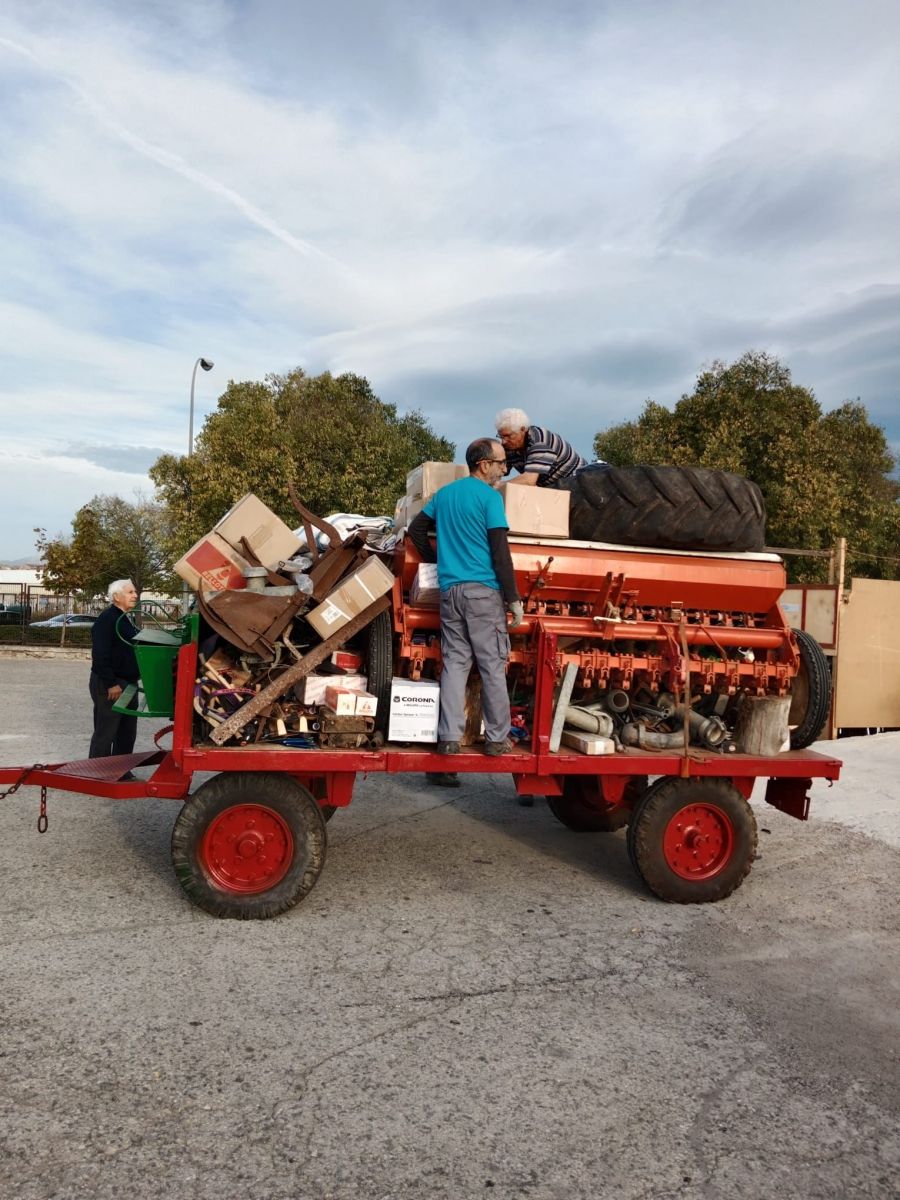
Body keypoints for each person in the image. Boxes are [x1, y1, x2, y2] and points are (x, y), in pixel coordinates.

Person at [408, 438, 525, 787]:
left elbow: (415, 530)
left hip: (450, 592)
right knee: (492, 665)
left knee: (455, 664)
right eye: (501, 463)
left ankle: (449, 738)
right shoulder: (490, 498)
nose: (505, 469)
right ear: (484, 465)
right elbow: (500, 553)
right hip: (482, 592)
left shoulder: (445, 495)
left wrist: (437, 561)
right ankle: (496, 739)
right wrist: (513, 598)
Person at [89, 579, 140, 762]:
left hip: (128, 683)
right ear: (117, 597)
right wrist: (111, 683)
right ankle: (98, 771)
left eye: (135, 592)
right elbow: (100, 654)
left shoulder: (124, 618)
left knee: (126, 732)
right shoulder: (108, 619)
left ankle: (121, 770)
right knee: (106, 732)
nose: (135, 595)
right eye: (130, 592)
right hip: (113, 684)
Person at [494, 407, 590, 487]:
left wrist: (497, 486)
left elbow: (528, 481)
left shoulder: (540, 442)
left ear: (522, 429)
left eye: (508, 436)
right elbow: (496, 472)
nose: (503, 441)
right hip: (553, 486)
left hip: (580, 482)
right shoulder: (508, 446)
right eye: (501, 436)